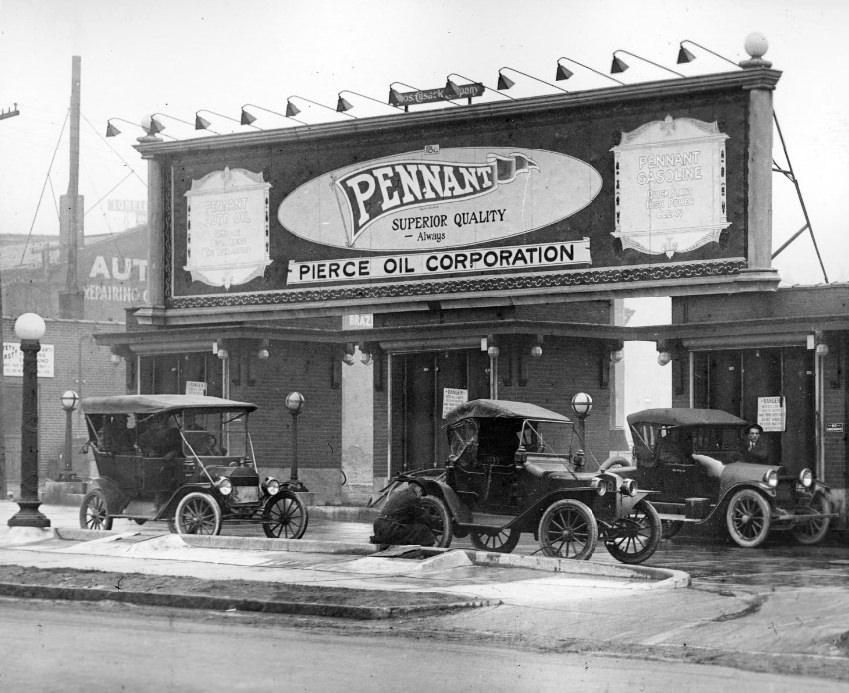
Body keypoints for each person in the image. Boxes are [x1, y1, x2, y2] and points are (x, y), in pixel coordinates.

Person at [371, 484, 436, 547]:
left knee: (411, 529)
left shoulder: (398, 494)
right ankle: (426, 554)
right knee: (423, 530)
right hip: (390, 529)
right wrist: (436, 522)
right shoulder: (413, 498)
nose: (420, 497)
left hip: (378, 528)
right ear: (419, 490)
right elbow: (422, 516)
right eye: (421, 494)